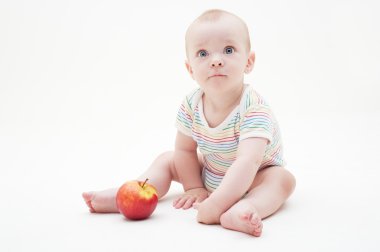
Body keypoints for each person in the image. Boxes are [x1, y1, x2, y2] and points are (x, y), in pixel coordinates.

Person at [82, 9, 296, 237]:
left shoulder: (253, 107)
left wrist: (215, 206)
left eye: (229, 50)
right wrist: (194, 186)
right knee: (168, 159)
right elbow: (185, 150)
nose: (215, 61)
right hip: (214, 169)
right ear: (190, 69)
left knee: (282, 179)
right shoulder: (191, 104)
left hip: (254, 178)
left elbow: (248, 162)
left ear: (249, 61)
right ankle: (129, 194)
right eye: (203, 53)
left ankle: (246, 208)